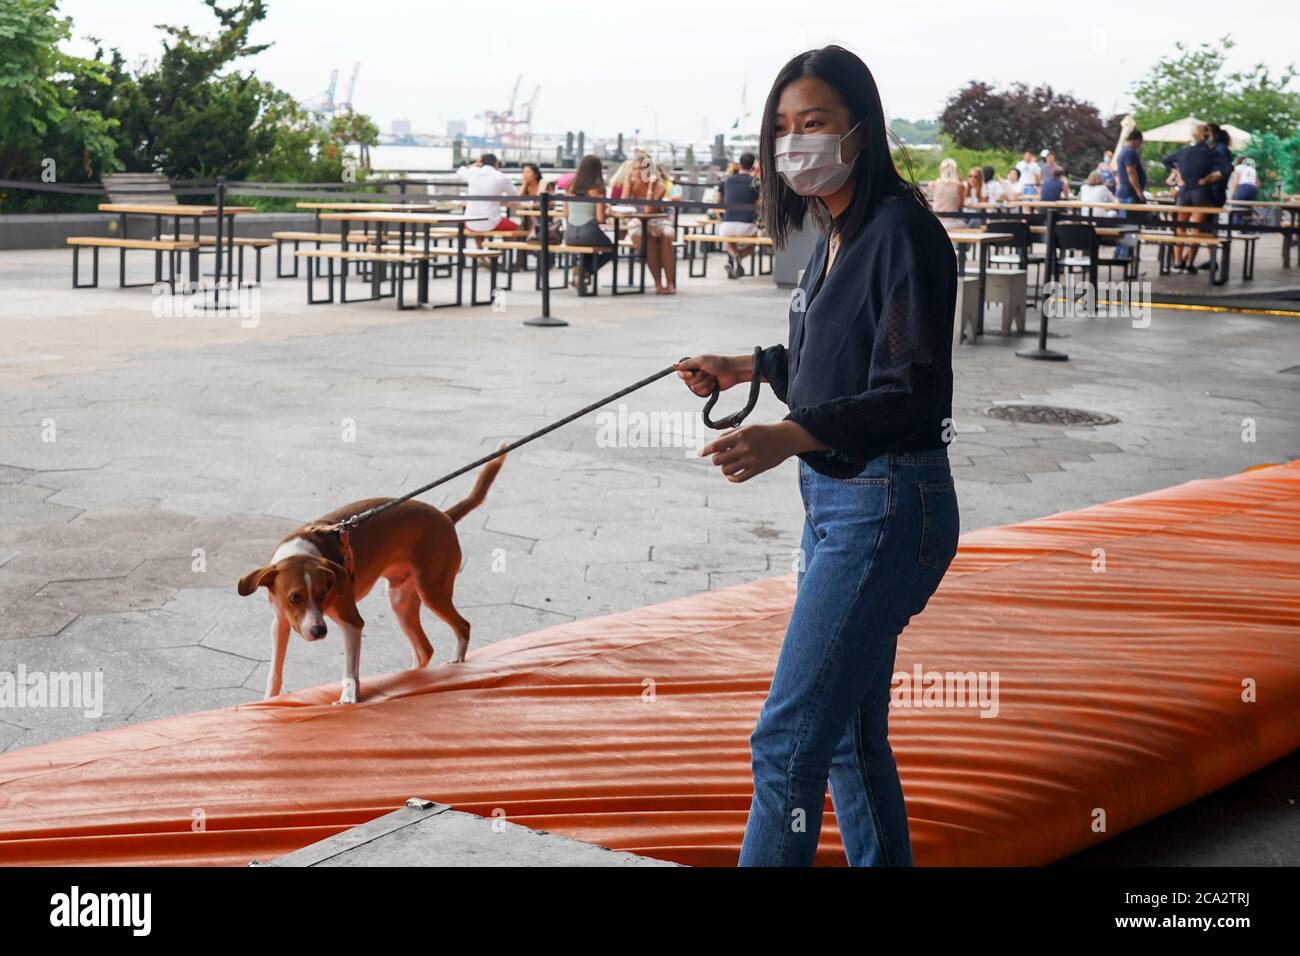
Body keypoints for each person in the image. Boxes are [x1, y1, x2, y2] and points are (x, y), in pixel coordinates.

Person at [676, 44, 958, 868]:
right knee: (846, 742)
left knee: (787, 745)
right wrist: (751, 367)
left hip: (886, 506)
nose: (795, 142)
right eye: (783, 127)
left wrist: (784, 436)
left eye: (816, 123)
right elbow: (838, 357)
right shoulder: (838, 231)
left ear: (860, 130)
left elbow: (910, 390)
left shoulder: (902, 232)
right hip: (839, 504)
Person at [1162, 124, 1222, 272]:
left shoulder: (1184, 152)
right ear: (1207, 136)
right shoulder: (1211, 153)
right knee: (1196, 229)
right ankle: (1189, 264)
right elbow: (1227, 168)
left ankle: (1177, 262)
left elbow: (1166, 161)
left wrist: (1177, 173)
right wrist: (1209, 178)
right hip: (1200, 192)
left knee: (1180, 227)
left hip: (1184, 192)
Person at [623, 152, 677, 294]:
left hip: (658, 220)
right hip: (637, 223)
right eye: (635, 168)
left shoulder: (659, 186)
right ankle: (658, 284)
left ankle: (670, 284)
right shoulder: (630, 182)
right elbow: (623, 206)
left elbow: (648, 210)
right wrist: (628, 184)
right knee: (649, 239)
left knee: (667, 236)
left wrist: (650, 186)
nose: (637, 172)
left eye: (641, 168)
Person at [563, 155, 615, 293]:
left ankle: (581, 271)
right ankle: (586, 272)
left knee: (588, 249)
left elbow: (566, 214)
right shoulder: (598, 189)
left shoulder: (570, 188)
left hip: (570, 235)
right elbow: (599, 218)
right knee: (612, 249)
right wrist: (607, 210)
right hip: (589, 231)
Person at [456, 153, 520, 235]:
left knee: (479, 229)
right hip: (492, 223)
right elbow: (514, 198)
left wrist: (474, 164)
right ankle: (502, 248)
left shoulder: (472, 172)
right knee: (516, 227)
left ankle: (480, 248)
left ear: (480, 162)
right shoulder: (501, 177)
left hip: (470, 223)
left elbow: (459, 172)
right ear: (496, 163)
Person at [720, 151, 761, 278]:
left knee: (728, 240)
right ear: (753, 166)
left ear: (739, 164)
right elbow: (760, 203)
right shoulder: (755, 181)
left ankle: (734, 257)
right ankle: (739, 256)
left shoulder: (728, 181)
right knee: (754, 243)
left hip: (727, 225)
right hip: (747, 226)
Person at [1115, 129, 1147, 216]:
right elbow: (1131, 172)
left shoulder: (1123, 151)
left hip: (1124, 191)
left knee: (1126, 221)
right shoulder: (1130, 152)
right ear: (1137, 140)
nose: (1140, 145)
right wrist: (1139, 191)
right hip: (1130, 192)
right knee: (1132, 221)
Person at [930, 157, 965, 229]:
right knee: (967, 226)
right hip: (952, 221)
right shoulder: (960, 186)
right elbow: (960, 205)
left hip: (937, 220)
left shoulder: (933, 184)